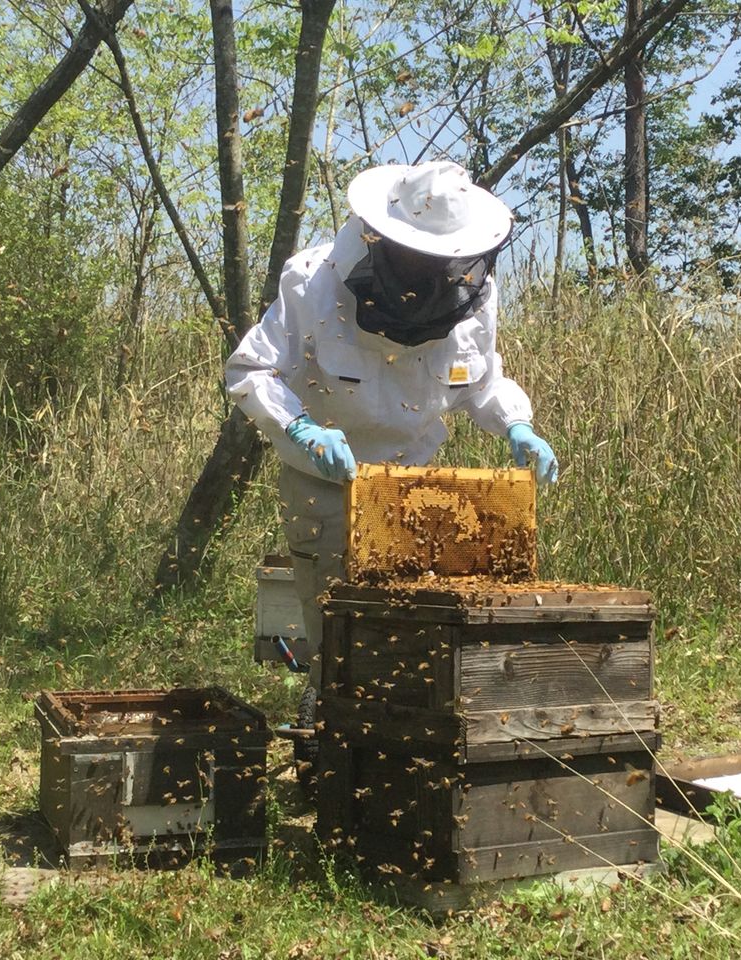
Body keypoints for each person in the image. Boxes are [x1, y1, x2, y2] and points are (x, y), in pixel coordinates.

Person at [225, 161, 558, 759]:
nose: (434, 274)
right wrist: (301, 427)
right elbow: (252, 371)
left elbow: (482, 381)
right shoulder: (312, 281)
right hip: (323, 483)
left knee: (419, 635)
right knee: (340, 635)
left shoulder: (473, 297)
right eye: (419, 258)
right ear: (380, 239)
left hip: (418, 487)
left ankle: (408, 760)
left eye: (446, 263)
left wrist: (517, 424)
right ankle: (338, 769)